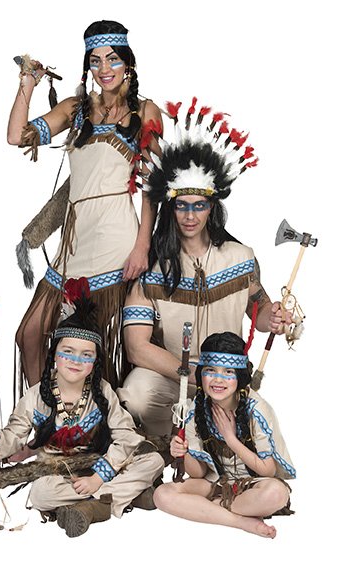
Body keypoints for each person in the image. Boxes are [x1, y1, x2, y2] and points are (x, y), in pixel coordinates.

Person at [118, 101, 291, 436]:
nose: (190, 216)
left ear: (212, 207)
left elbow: (259, 311)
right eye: (181, 206)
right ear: (170, 208)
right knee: (137, 394)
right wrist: (194, 374)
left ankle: (213, 448)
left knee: (254, 430)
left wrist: (274, 317)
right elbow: (136, 347)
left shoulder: (240, 257)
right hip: (172, 376)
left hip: (226, 375)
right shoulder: (152, 269)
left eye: (199, 206)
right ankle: (163, 447)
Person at [7, 20, 161, 387]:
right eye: (95, 61)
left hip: (115, 237)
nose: (104, 69)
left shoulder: (145, 111)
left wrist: (142, 245)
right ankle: (44, 413)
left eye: (112, 59)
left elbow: (153, 183)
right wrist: (28, 81)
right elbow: (16, 136)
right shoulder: (75, 108)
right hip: (74, 241)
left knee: (95, 344)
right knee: (30, 334)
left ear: (128, 62)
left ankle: (99, 416)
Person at [0, 291, 164, 537]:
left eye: (86, 355)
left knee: (154, 461)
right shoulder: (35, 397)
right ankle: (119, 498)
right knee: (40, 494)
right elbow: (11, 441)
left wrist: (98, 477)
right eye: (68, 351)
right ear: (54, 354)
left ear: (95, 361)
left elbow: (127, 437)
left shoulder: (102, 391)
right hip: (58, 474)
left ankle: (92, 506)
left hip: (100, 466)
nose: (76, 361)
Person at [153, 331, 295, 539]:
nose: (218, 380)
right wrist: (183, 451)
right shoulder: (197, 408)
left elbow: (268, 469)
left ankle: (208, 509)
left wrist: (231, 439)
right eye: (210, 370)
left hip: (254, 485)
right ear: (201, 374)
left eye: (228, 372)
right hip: (215, 483)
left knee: (276, 494)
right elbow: (198, 473)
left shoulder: (257, 410)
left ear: (240, 376)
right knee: (162, 495)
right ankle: (241, 521)